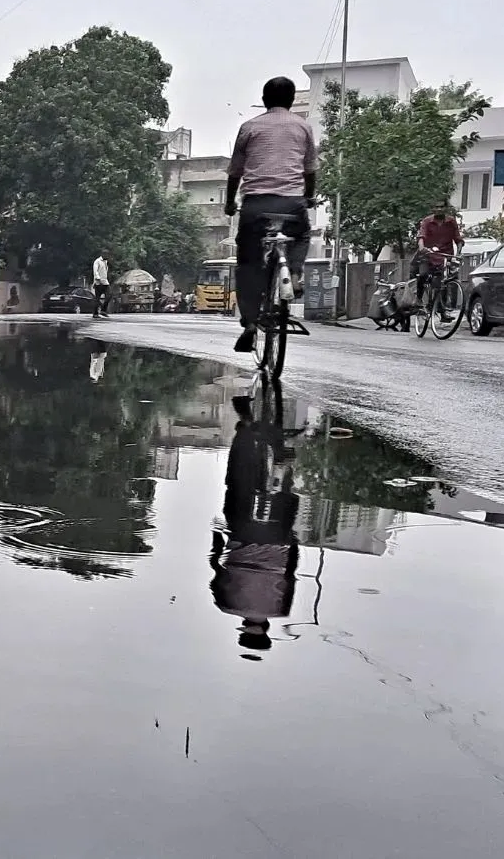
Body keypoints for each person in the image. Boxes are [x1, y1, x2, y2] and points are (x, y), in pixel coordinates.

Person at [225, 76, 318, 353]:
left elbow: (235, 172)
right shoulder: (303, 127)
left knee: (248, 263)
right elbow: (310, 170)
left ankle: (250, 324)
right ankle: (297, 273)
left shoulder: (249, 127)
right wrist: (309, 197)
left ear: (264, 100)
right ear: (291, 101)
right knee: (302, 234)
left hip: (255, 205)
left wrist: (230, 202)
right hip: (292, 203)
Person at [209, 396, 301, 654]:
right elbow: (215, 565)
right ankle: (246, 426)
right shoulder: (226, 606)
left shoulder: (281, 610)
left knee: (287, 498)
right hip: (241, 533)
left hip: (277, 539)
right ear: (244, 627)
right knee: (237, 486)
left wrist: (292, 540)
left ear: (267, 630)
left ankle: (285, 471)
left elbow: (291, 572)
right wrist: (217, 535)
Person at [415, 204, 464, 303]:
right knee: (423, 275)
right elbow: (421, 237)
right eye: (436, 207)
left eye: (441, 207)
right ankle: (418, 300)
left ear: (445, 208)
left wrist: (458, 253)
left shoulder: (451, 222)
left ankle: (443, 310)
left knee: (445, 280)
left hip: (445, 256)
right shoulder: (427, 221)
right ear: (433, 209)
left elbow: (458, 239)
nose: (439, 209)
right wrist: (422, 248)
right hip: (429, 254)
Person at [91, 252, 111, 318]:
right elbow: (95, 271)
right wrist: (98, 279)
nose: (108, 256)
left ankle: (103, 310)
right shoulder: (97, 261)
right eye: (107, 255)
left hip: (105, 282)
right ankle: (95, 313)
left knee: (109, 296)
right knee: (97, 298)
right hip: (98, 282)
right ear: (103, 254)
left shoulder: (106, 262)